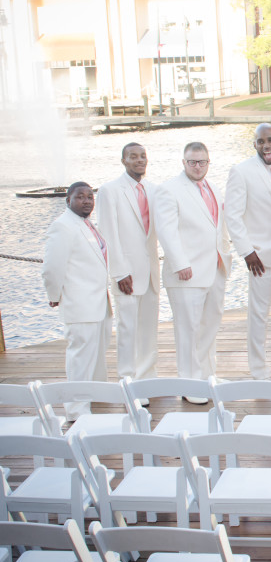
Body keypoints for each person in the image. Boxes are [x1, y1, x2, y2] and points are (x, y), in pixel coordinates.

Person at [152, 142, 232, 403]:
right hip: (186, 272)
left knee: (210, 325)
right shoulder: (168, 190)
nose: (197, 166)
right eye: (192, 162)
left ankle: (207, 376)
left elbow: (219, 227)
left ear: (208, 162)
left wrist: (225, 255)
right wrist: (180, 263)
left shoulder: (213, 188)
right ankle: (189, 383)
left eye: (202, 162)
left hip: (215, 268)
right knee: (188, 330)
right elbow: (166, 230)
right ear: (183, 163)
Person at [225, 122, 271, 380]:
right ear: (255, 144)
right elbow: (232, 215)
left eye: (270, 140)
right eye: (260, 141)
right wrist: (247, 251)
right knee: (258, 312)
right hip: (259, 254)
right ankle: (257, 367)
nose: (266, 146)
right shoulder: (241, 171)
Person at [42, 182, 111, 421]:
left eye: (90, 196)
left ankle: (92, 394)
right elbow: (52, 267)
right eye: (80, 197)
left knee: (94, 355)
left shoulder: (87, 224)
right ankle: (76, 410)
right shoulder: (62, 226)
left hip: (98, 302)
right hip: (80, 304)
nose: (87, 201)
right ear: (68, 200)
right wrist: (54, 295)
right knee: (80, 358)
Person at [95, 143, 160, 389]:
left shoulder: (154, 190)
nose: (139, 160)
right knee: (127, 330)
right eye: (133, 156)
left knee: (148, 330)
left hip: (151, 272)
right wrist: (119, 272)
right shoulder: (109, 191)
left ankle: (148, 379)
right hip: (127, 274)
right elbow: (107, 234)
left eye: (143, 156)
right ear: (124, 160)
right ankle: (128, 382)